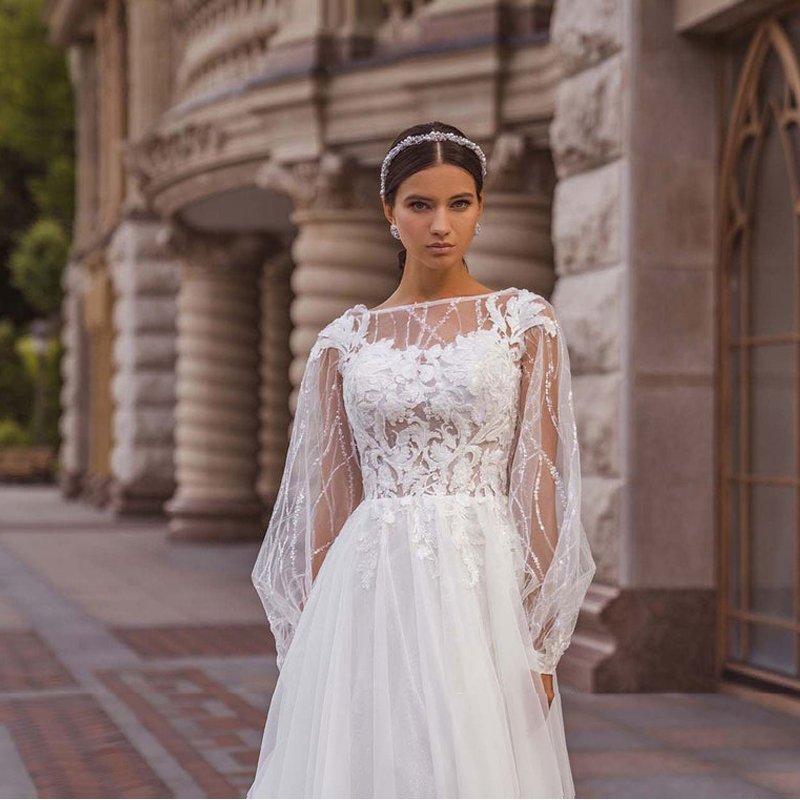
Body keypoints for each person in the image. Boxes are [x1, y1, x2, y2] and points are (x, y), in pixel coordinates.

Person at [246, 121, 597, 799]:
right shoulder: (343, 342)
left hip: (480, 583)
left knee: (472, 765)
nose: (442, 224)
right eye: (420, 204)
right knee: (376, 760)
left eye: (459, 203)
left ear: (480, 208)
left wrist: (541, 638)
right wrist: (317, 632)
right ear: (389, 212)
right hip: (368, 583)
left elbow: (538, 478)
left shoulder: (524, 322)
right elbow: (329, 496)